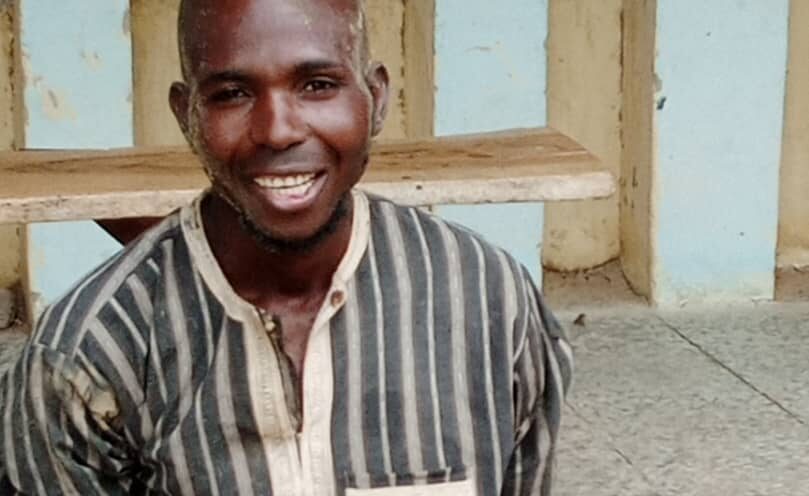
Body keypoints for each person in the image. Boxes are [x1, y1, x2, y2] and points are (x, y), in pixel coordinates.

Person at [0, 0, 572, 494]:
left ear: (375, 97)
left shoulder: (491, 303)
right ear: (186, 114)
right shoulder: (88, 355)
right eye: (232, 94)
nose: (277, 130)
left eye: (317, 85)